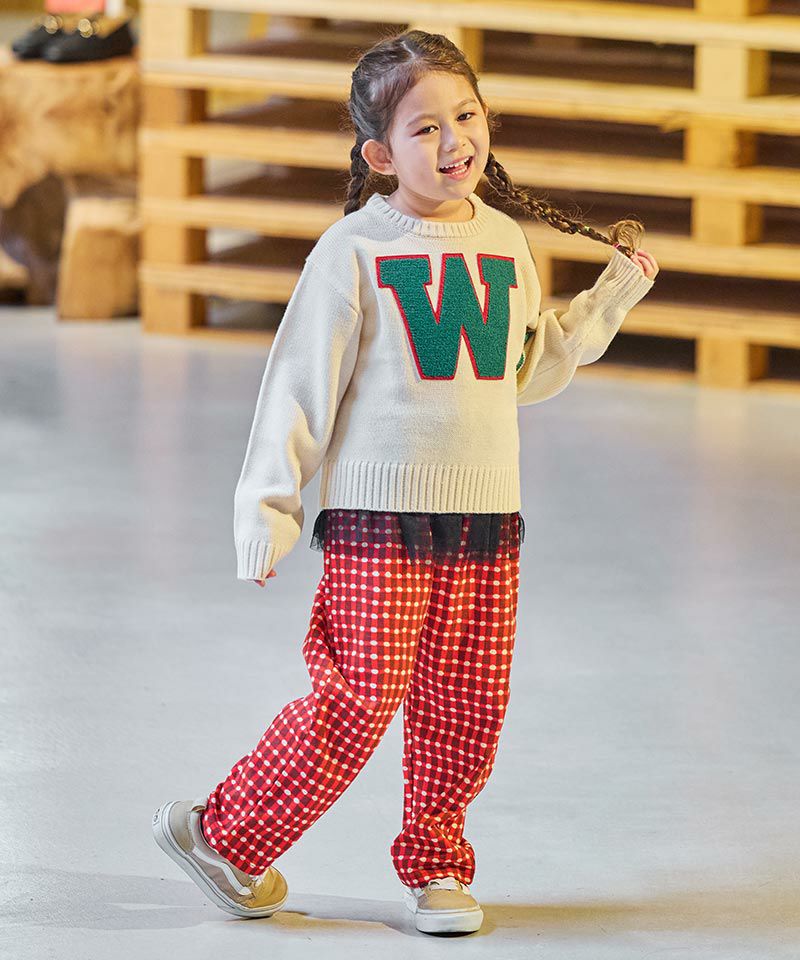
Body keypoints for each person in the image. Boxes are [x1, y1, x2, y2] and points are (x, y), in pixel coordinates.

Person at [152, 28, 659, 937]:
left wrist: (607, 301)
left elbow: (517, 371)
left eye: (466, 115)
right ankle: (222, 836)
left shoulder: (504, 239)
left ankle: (438, 867)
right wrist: (267, 507)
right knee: (357, 699)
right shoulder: (351, 250)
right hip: (377, 521)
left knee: (466, 704)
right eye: (425, 128)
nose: (455, 140)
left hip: (485, 518)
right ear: (380, 155)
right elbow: (298, 387)